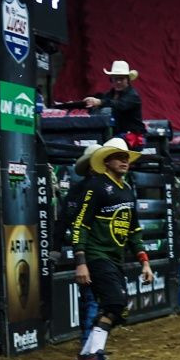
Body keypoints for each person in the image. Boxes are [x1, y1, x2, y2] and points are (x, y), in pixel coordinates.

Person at [71, 138, 153, 360]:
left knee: (119, 309)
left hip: (115, 258)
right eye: (119, 157)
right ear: (106, 161)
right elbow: (80, 224)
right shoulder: (96, 186)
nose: (124, 161)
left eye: (126, 157)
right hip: (97, 255)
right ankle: (94, 356)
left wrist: (145, 262)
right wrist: (81, 261)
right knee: (115, 304)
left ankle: (86, 354)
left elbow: (133, 230)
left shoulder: (126, 189)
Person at [50, 144, 101, 347]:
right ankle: (89, 345)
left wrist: (56, 249)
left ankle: (87, 341)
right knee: (93, 298)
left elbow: (63, 222)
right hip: (93, 251)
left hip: (85, 250)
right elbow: (65, 221)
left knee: (88, 298)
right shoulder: (96, 189)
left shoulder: (77, 190)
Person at [84, 60, 144, 146]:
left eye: (121, 79)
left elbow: (119, 105)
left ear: (127, 80)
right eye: (115, 79)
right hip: (117, 136)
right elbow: (103, 102)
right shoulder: (109, 94)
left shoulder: (133, 95)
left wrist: (99, 102)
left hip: (133, 137)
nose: (118, 82)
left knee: (110, 145)